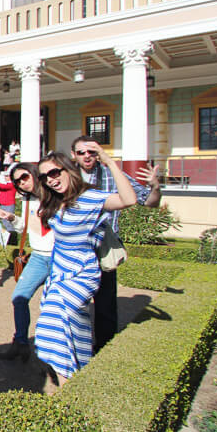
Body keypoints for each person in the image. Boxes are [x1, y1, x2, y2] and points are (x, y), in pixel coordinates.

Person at [34, 145, 136, 383]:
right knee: (71, 325)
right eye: (45, 177)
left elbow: (128, 199)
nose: (51, 180)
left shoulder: (90, 197)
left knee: (54, 317)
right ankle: (79, 369)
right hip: (59, 273)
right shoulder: (55, 202)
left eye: (55, 173)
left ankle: (65, 383)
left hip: (81, 274)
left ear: (69, 169)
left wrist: (109, 162)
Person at [70, 136, 161, 352]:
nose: (87, 157)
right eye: (81, 152)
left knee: (105, 305)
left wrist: (155, 186)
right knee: (73, 302)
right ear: (73, 155)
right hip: (76, 247)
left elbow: (150, 202)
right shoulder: (68, 177)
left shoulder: (113, 175)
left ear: (99, 153)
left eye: (91, 152)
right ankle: (74, 349)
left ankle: (104, 349)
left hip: (104, 248)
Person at [0, 163, 54, 362]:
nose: (22, 182)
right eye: (18, 181)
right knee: (19, 298)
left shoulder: (56, 193)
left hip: (59, 256)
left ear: (35, 174)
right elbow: (28, 228)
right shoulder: (28, 199)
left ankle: (54, 355)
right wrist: (12, 218)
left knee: (54, 306)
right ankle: (20, 343)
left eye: (25, 177)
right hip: (38, 256)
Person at [0, 173, 17, 238]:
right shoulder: (6, 185)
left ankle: (11, 236)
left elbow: (2, 186)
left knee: (8, 221)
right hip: (3, 205)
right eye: (5, 176)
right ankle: (7, 236)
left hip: (9, 205)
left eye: (7, 176)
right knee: (4, 221)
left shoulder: (12, 184)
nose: (5, 177)